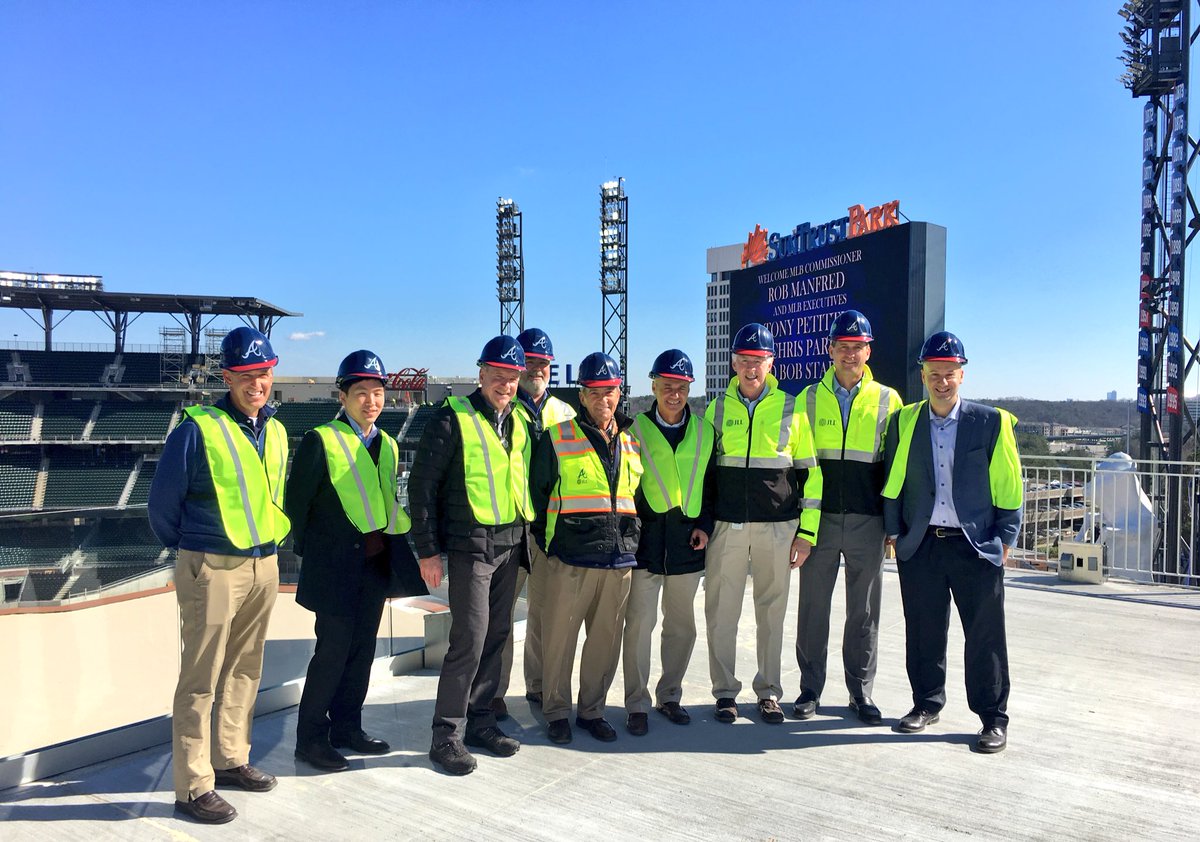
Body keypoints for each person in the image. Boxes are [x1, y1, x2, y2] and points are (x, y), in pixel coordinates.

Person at [149, 326, 289, 825]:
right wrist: (196, 553)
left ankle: (230, 758)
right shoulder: (197, 428)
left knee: (246, 668)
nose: (257, 384)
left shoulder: (273, 429)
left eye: (264, 374)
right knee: (201, 677)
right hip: (212, 564)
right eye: (247, 375)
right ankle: (192, 786)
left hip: (263, 562)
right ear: (228, 377)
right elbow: (162, 506)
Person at [286, 350, 427, 772]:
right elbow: (298, 506)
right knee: (331, 653)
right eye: (361, 392)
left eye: (378, 392)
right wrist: (321, 557)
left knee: (361, 652)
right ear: (342, 396)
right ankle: (310, 739)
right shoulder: (320, 439)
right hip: (335, 568)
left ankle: (348, 728)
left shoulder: (386, 443)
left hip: (373, 566)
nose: (371, 401)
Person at [881, 331, 1022, 753]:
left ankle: (993, 718)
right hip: (921, 545)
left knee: (985, 636)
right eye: (933, 374)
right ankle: (926, 704)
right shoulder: (905, 420)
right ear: (922, 375)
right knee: (923, 631)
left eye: (949, 374)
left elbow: (1009, 485)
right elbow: (893, 483)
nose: (941, 382)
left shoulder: (991, 422)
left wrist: (1005, 538)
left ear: (962, 374)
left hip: (974, 546)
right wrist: (894, 531)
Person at [408, 335, 531, 775]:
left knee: (497, 637)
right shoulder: (450, 419)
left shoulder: (517, 420)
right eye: (498, 375)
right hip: (470, 547)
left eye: (512, 377)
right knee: (470, 640)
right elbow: (421, 490)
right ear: (480, 375)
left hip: (510, 543)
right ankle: (446, 736)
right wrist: (427, 550)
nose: (505, 384)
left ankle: (481, 721)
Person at [703, 322, 822, 725]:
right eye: (744, 361)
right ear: (733, 363)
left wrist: (806, 533)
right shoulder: (717, 408)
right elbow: (707, 473)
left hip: (778, 528)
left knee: (771, 613)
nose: (751, 368)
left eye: (758, 360)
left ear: (772, 363)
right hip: (728, 526)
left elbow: (811, 476)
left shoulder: (793, 409)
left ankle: (769, 692)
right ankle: (724, 693)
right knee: (722, 612)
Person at [793, 311, 902, 725]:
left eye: (857, 347)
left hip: (867, 522)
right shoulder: (805, 399)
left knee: (864, 612)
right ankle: (810, 690)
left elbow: (896, 468)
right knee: (813, 609)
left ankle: (861, 693)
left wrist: (892, 524)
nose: (850, 354)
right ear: (830, 350)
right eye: (843, 347)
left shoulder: (889, 400)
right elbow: (798, 466)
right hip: (818, 522)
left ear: (867, 351)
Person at [531, 352, 643, 744]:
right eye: (594, 393)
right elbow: (538, 496)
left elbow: (635, 497)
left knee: (604, 644)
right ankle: (557, 712)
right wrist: (553, 546)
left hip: (618, 559)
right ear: (582, 396)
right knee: (559, 640)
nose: (603, 400)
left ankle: (591, 711)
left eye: (609, 392)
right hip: (572, 557)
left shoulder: (631, 441)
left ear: (619, 393)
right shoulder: (558, 438)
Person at [621, 349, 715, 736]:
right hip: (645, 542)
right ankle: (637, 703)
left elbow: (712, 486)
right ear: (653, 386)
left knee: (681, 627)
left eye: (681, 387)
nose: (674, 394)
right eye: (666, 386)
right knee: (639, 626)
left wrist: (705, 525)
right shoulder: (634, 430)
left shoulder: (707, 431)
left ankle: (670, 696)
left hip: (687, 542)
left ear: (689, 388)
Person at [494, 327, 576, 719]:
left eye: (543, 363)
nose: (537, 369)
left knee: (545, 614)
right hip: (509, 524)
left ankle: (540, 686)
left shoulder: (565, 412)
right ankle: (493, 692)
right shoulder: (503, 407)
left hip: (549, 529)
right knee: (501, 617)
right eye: (530, 362)